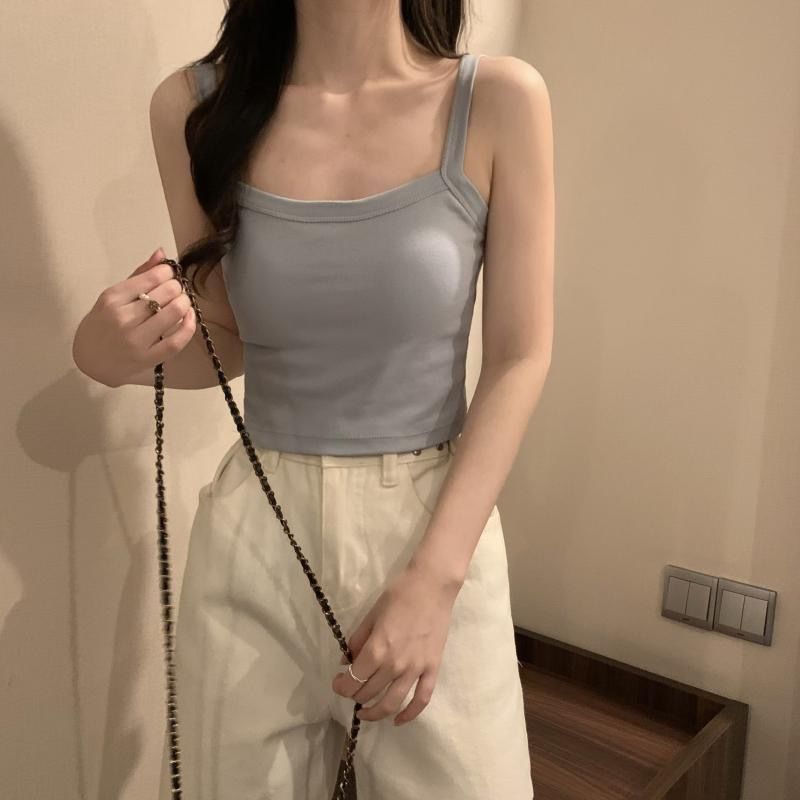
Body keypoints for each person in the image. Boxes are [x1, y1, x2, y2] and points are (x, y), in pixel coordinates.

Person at [72, 1, 554, 798]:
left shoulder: (496, 100)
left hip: (431, 535)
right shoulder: (194, 109)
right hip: (255, 536)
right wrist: (108, 354)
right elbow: (225, 335)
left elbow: (520, 355)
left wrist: (435, 581)